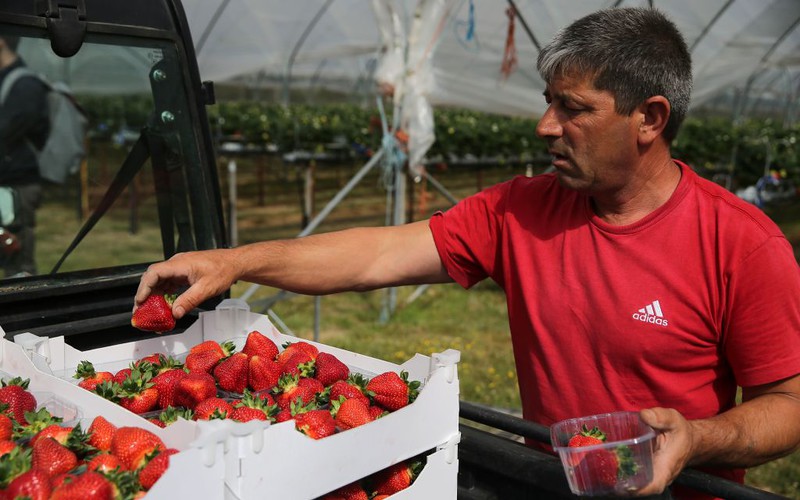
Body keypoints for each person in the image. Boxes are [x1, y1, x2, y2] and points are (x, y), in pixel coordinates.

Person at [135, 7, 800, 499]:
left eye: (572, 109)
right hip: (550, 480)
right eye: (547, 103)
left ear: (649, 119)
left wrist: (696, 439)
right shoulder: (522, 209)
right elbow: (374, 256)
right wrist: (235, 261)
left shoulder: (741, 243)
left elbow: (788, 403)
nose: (546, 127)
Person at [0, 35, 48, 277]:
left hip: (16, 186)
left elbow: (4, 132)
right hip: (7, 182)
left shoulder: (24, 85)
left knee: (17, 265)